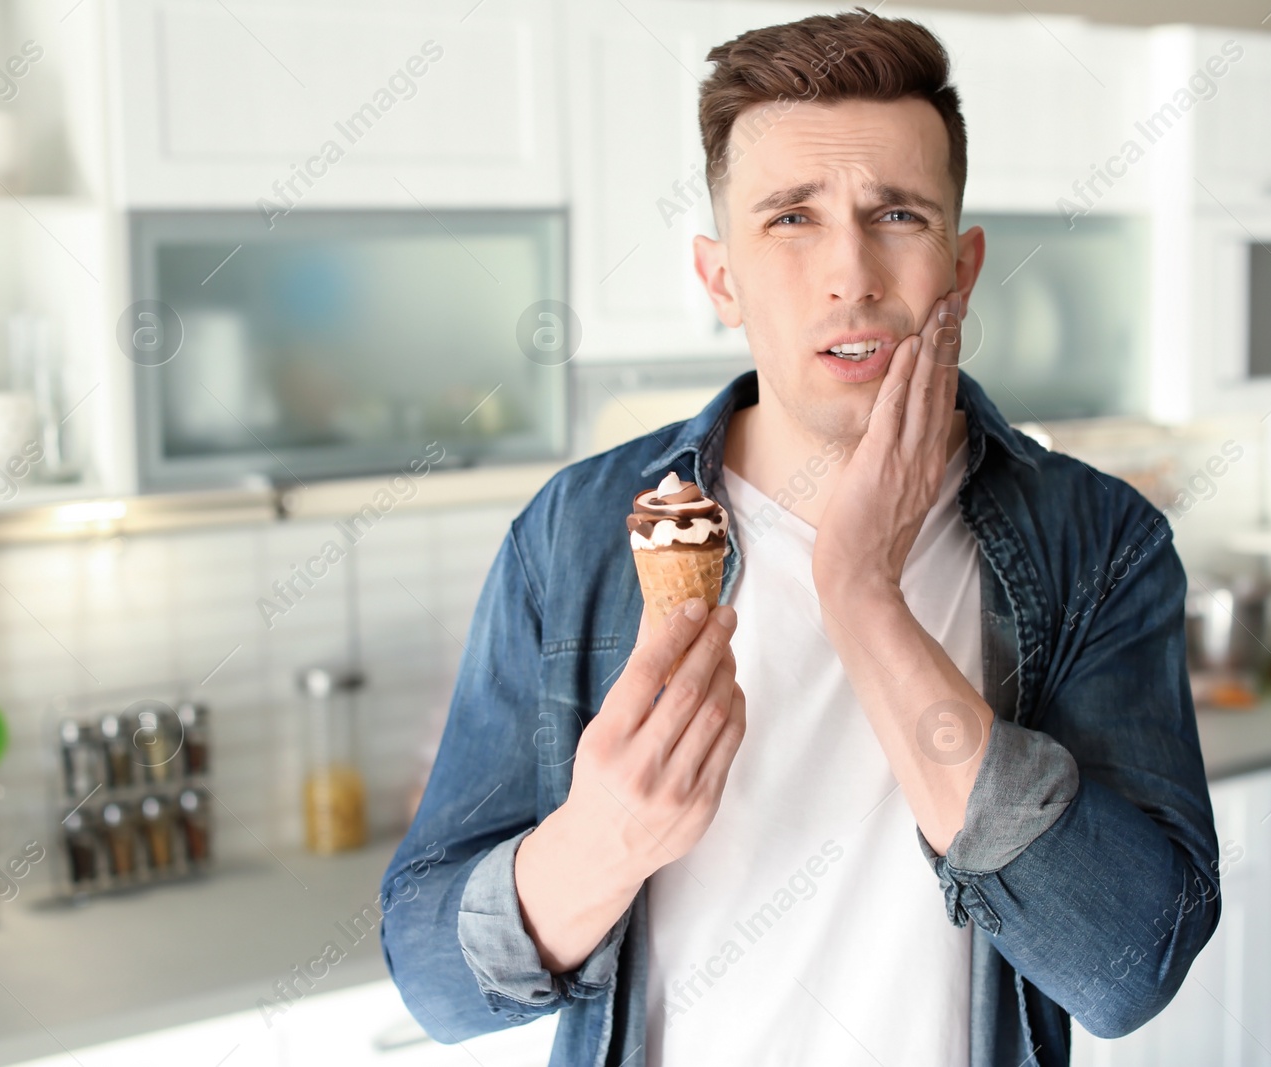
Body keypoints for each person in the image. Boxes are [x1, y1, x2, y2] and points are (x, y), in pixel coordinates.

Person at [381, 9, 1219, 1066]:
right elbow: (430, 978)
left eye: (898, 215)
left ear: (960, 267)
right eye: (789, 218)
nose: (851, 274)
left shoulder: (1099, 541)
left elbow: (1128, 962)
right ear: (718, 275)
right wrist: (601, 840)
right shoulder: (577, 532)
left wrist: (860, 592)